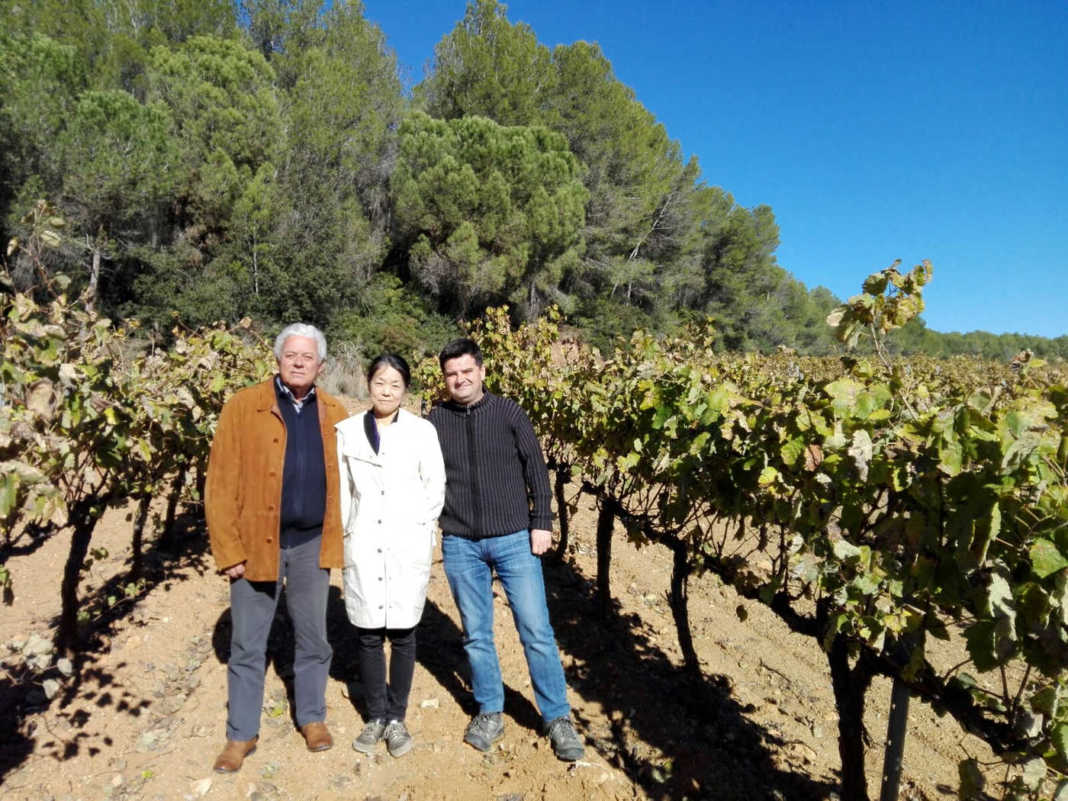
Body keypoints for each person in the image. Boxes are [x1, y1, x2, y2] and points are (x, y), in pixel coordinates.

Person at [427, 338, 585, 762]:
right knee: (477, 636)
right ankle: (490, 710)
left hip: (515, 538)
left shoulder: (510, 413)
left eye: (465, 371)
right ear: (445, 378)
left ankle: (557, 717)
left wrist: (543, 523)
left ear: (481, 371)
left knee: (535, 630)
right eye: (451, 374)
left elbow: (537, 469)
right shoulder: (435, 421)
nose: (459, 379)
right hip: (460, 542)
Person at [205, 323, 348, 773]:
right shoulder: (244, 406)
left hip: (310, 544)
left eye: (308, 357)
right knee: (248, 643)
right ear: (279, 359)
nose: (299, 362)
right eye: (292, 355)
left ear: (321, 365)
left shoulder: (335, 412)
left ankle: (312, 717)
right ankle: (240, 735)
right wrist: (229, 550)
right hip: (255, 543)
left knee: (313, 637)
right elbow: (220, 482)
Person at [335, 354, 445, 758]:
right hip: (363, 543)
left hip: (406, 544)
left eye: (395, 384)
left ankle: (396, 718)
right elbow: (345, 491)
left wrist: (418, 530)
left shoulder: (422, 432)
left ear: (405, 390)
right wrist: (347, 534)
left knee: (402, 632)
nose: (386, 390)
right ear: (369, 384)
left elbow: (435, 486)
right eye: (380, 382)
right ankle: (375, 715)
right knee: (366, 633)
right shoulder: (346, 432)